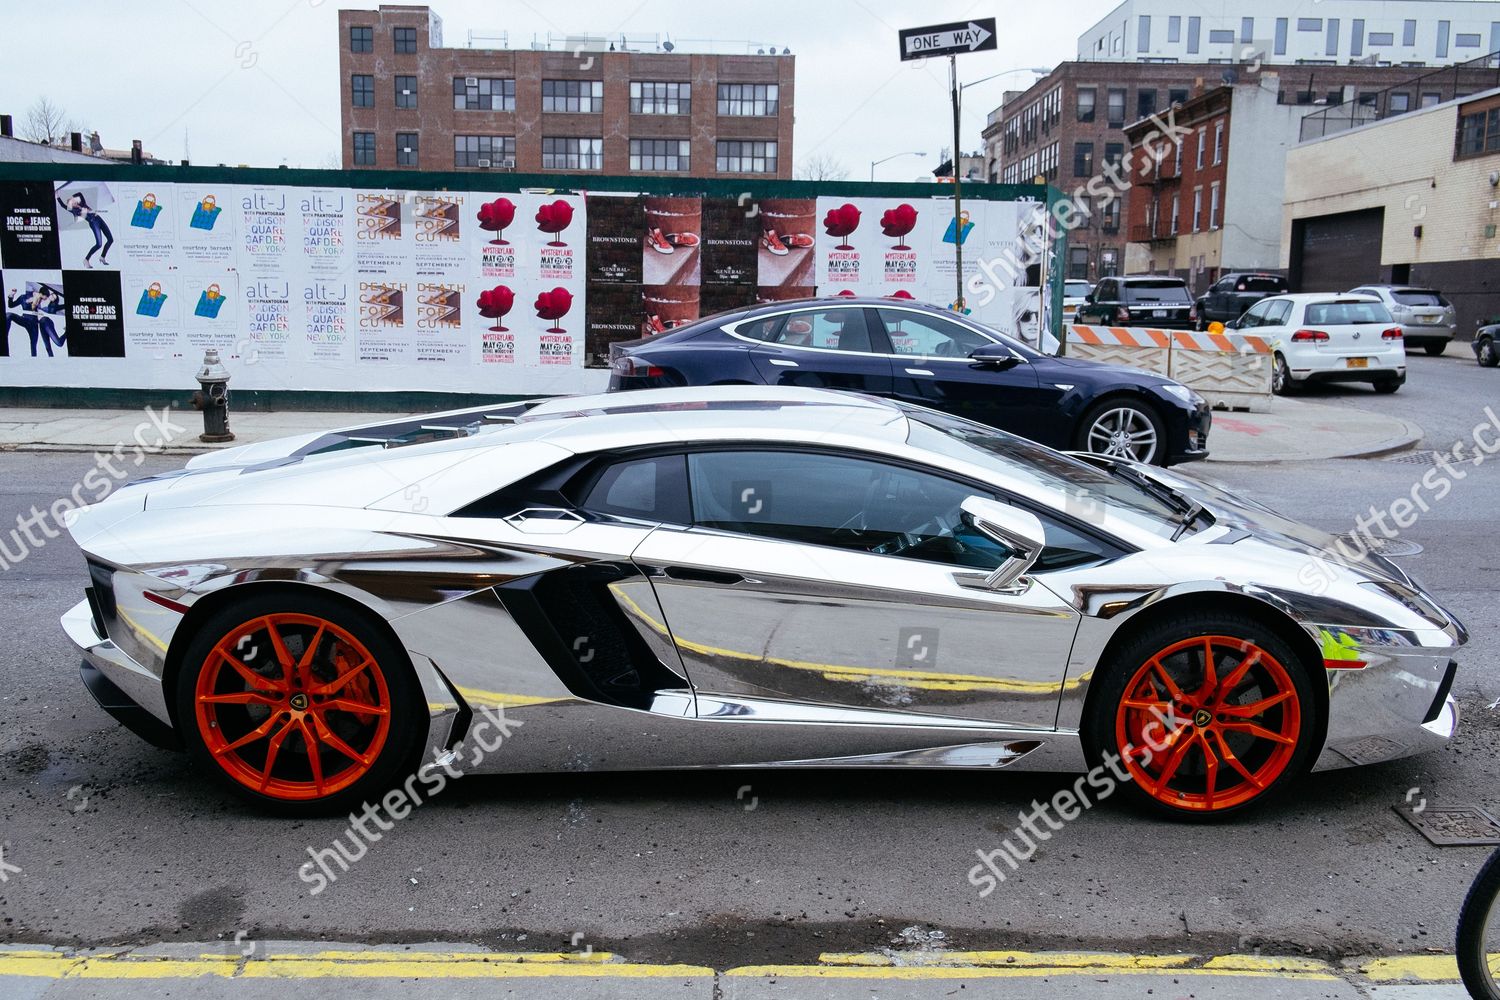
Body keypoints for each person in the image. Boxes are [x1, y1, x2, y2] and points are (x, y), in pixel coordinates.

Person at [4, 284, 66, 357]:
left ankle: (34, 363)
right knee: (8, 315)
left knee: (34, 347)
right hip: (25, 320)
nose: (45, 299)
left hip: (34, 325)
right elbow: (11, 305)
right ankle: (3, 342)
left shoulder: (45, 303)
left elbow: (43, 306)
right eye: (45, 297)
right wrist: (11, 296)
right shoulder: (23, 297)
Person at [58, 190, 113, 267]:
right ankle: (86, 260)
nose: (74, 202)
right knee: (99, 244)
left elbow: (80, 194)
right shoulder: (74, 211)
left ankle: (102, 257)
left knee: (110, 240)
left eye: (74, 201)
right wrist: (57, 196)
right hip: (93, 223)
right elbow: (62, 205)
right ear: (71, 205)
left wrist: (73, 197)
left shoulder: (82, 203)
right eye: (71, 202)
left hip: (99, 218)